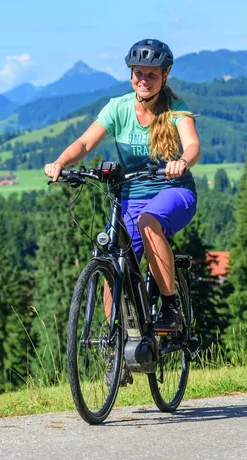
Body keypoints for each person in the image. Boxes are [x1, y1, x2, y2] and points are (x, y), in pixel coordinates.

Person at [44, 39, 201, 334]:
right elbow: (85, 142)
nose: (143, 80)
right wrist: (60, 162)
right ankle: (116, 342)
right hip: (131, 195)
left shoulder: (177, 109)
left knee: (148, 222)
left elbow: (193, 145)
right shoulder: (118, 108)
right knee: (112, 257)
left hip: (173, 191)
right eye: (138, 73)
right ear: (131, 75)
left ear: (164, 76)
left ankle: (170, 307)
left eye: (151, 75)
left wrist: (182, 161)